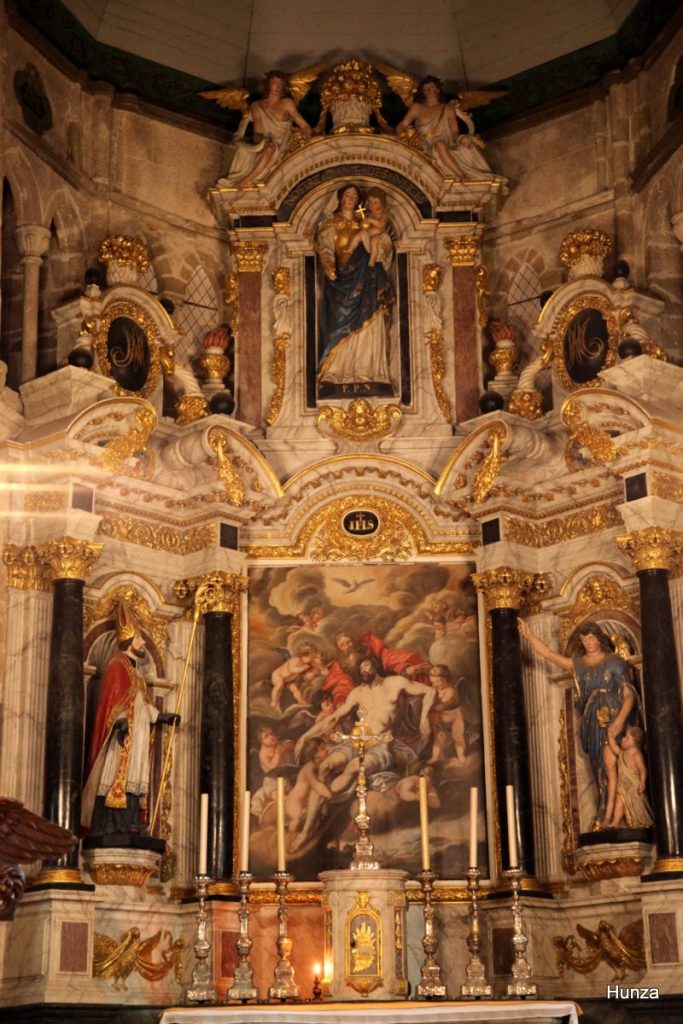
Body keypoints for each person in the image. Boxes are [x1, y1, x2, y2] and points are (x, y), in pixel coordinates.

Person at [518, 619, 638, 826]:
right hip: (591, 720)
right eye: (584, 640)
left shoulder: (615, 662)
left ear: (598, 638)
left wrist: (619, 719)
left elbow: (629, 694)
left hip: (612, 718)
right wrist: (529, 636)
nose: (589, 643)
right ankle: (605, 809)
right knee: (598, 767)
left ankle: (624, 813)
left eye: (592, 638)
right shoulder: (579, 664)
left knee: (617, 764)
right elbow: (548, 654)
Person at [81, 601, 180, 836]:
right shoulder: (117, 667)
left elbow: (143, 704)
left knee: (136, 776)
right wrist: (119, 722)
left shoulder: (135, 672)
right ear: (128, 641)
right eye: (138, 639)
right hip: (121, 738)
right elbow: (111, 704)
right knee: (117, 776)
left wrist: (161, 716)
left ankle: (132, 820)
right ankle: (113, 823)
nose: (143, 642)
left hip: (138, 737)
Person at [296, 657, 435, 795]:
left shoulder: (395, 683)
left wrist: (424, 718)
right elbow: (333, 718)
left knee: (352, 768)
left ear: (376, 667)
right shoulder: (358, 692)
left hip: (380, 745)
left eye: (367, 666)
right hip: (355, 742)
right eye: (361, 668)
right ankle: (318, 813)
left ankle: (328, 797)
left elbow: (430, 691)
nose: (364, 670)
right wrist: (304, 737)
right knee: (325, 766)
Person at [315, 184, 395, 390]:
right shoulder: (330, 223)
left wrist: (379, 249)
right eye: (347, 194)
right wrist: (326, 262)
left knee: (372, 319)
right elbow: (324, 246)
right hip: (341, 279)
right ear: (340, 198)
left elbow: (383, 242)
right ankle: (335, 372)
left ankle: (367, 371)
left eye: (355, 195)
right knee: (338, 322)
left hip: (367, 277)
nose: (351, 198)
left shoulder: (364, 223)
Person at [396, 76, 504, 183]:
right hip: (425, 145)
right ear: (423, 92)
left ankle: (463, 175)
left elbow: (454, 131)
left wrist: (461, 139)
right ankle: (461, 174)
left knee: (443, 144)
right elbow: (403, 124)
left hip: (445, 142)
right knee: (439, 144)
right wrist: (401, 135)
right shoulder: (417, 107)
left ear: (437, 90)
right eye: (426, 89)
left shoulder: (448, 109)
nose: (429, 91)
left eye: (432, 87)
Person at [219, 71, 311, 188]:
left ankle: (244, 182)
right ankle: (241, 181)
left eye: (281, 84)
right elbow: (258, 132)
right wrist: (262, 141)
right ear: (268, 85)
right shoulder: (256, 105)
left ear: (284, 87)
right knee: (243, 150)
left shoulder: (287, 103)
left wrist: (306, 139)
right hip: (264, 141)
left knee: (270, 150)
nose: (277, 87)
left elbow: (305, 126)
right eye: (274, 83)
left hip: (280, 144)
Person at [322, 630, 427, 707]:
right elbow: (342, 685)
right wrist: (341, 700)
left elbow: (389, 658)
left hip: (385, 685)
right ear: (339, 649)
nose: (347, 646)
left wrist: (406, 669)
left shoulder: (369, 648)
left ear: (353, 640)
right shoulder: (341, 665)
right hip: (364, 696)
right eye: (342, 645)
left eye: (348, 641)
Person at [605, 725, 653, 829]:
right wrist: (610, 736)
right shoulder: (622, 753)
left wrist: (643, 781)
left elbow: (643, 769)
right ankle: (615, 822)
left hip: (634, 784)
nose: (623, 739)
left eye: (626, 737)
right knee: (619, 801)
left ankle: (643, 821)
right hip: (623, 785)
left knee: (636, 801)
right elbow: (613, 747)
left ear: (635, 741)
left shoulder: (637, 755)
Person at [427, 664, 466, 764]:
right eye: (433, 682)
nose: (435, 684)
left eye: (438, 681)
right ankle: (435, 757)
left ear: (446, 678)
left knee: (458, 737)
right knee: (438, 738)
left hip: (454, 718)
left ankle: (461, 756)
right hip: (440, 719)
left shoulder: (451, 691)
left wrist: (427, 707)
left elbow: (440, 706)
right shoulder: (436, 688)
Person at [344, 188, 392, 268]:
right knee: (359, 234)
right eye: (370, 202)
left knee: (374, 240)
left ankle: (372, 260)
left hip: (380, 237)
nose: (372, 205)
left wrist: (370, 220)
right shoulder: (369, 214)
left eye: (375, 203)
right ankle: (350, 249)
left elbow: (381, 224)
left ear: (382, 204)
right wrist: (355, 213)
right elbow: (361, 216)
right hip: (369, 235)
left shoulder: (383, 215)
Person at [269, 645, 326, 709]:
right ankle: (274, 700)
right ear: (304, 656)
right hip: (278, 675)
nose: (311, 660)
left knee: (295, 689)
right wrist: (303, 668)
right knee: (279, 685)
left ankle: (301, 701)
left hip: (289, 679)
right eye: (310, 657)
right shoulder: (295, 660)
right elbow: (292, 670)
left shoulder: (305, 664)